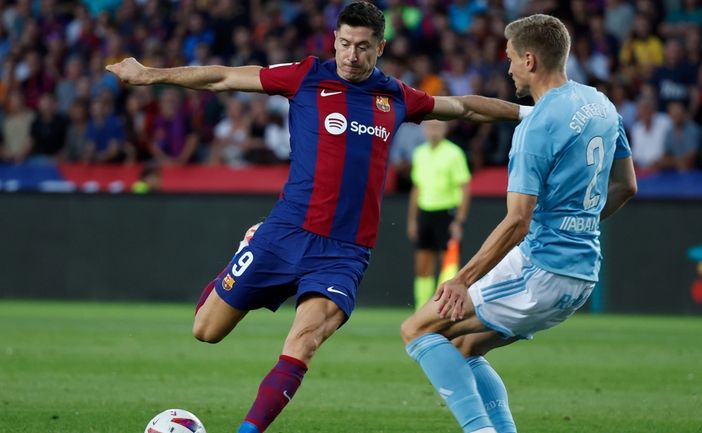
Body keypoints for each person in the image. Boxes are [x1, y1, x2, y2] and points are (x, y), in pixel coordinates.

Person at [105, 3, 531, 433]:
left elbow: (464, 108)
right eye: (345, 44)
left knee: (303, 342)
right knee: (206, 330)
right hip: (284, 233)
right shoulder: (307, 76)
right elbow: (222, 76)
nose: (351, 55)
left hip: (344, 253)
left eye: (363, 47)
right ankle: (244, 251)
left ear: (380, 47)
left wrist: (529, 114)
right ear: (335, 40)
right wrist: (150, 74)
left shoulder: (396, 97)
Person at [400, 14, 637, 433]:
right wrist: (579, 224)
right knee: (464, 346)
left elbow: (517, 222)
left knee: (417, 329)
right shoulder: (600, 103)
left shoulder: (535, 131)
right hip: (582, 273)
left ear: (529, 60)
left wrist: (461, 279)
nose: (506, 67)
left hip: (543, 269)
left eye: (509, 58)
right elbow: (626, 186)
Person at [408, 119, 471, 310]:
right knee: (422, 264)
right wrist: (412, 220)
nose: (433, 130)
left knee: (448, 265)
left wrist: (459, 220)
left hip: (447, 213)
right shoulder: (419, 153)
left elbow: (465, 188)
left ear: (445, 129)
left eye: (437, 126)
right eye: (430, 126)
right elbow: (416, 188)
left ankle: (442, 308)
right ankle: (421, 308)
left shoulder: (454, 153)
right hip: (425, 213)